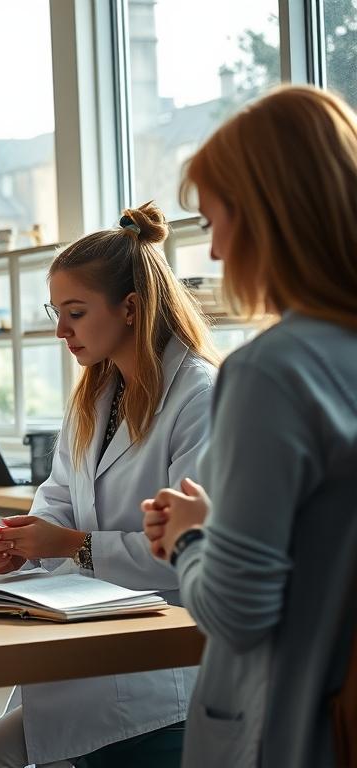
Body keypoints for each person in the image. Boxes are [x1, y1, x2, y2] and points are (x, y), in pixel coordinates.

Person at [142, 85, 357, 768]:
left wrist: (189, 537)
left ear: (268, 217)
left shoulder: (273, 372)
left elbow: (237, 613)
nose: (214, 253)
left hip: (295, 729)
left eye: (213, 220)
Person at [0, 201, 217, 768]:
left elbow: (189, 552)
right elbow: (54, 501)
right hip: (87, 644)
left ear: (130, 308)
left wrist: (69, 545)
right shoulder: (97, 397)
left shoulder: (199, 396)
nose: (61, 331)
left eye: (74, 312)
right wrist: (18, 546)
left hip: (160, 666)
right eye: (56, 312)